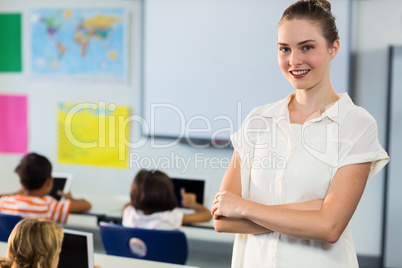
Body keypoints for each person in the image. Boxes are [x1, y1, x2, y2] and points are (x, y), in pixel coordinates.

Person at [211, 0, 389, 267]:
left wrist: (244, 207)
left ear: (333, 48)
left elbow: (329, 227)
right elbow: (222, 219)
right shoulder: (258, 121)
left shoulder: (357, 124)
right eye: (285, 49)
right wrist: (311, 210)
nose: (294, 60)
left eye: (307, 47)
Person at [0, 153, 91, 224]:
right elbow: (86, 205)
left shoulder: (5, 202)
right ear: (49, 181)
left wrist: (18, 192)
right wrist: (70, 198)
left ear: (21, 182)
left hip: (10, 247)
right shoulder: (49, 206)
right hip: (37, 248)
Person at [123, 169, 212, 230]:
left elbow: (130, 204)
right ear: (168, 194)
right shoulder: (171, 218)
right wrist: (192, 204)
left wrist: (140, 195)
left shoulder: (129, 213)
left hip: (134, 257)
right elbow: (207, 215)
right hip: (162, 257)